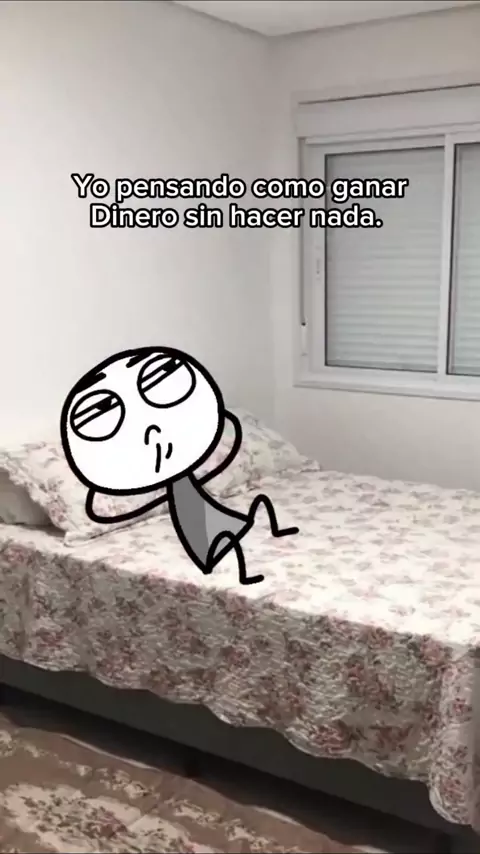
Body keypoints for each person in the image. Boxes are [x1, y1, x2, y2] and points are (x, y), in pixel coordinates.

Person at [60, 347, 299, 586]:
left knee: (243, 515)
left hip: (203, 508)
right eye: (99, 412)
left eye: (162, 375)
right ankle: (235, 563)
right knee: (219, 536)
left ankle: (254, 536)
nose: (153, 429)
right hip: (196, 523)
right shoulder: (121, 468)